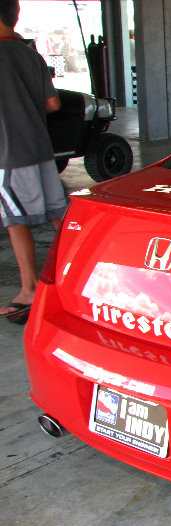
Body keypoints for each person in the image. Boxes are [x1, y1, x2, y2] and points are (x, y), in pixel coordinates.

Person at [0, 0, 66, 324]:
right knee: (59, 215)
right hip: (41, 148)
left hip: (9, 151)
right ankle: (78, 276)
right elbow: (52, 103)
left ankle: (28, 289)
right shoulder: (30, 53)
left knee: (15, 219)